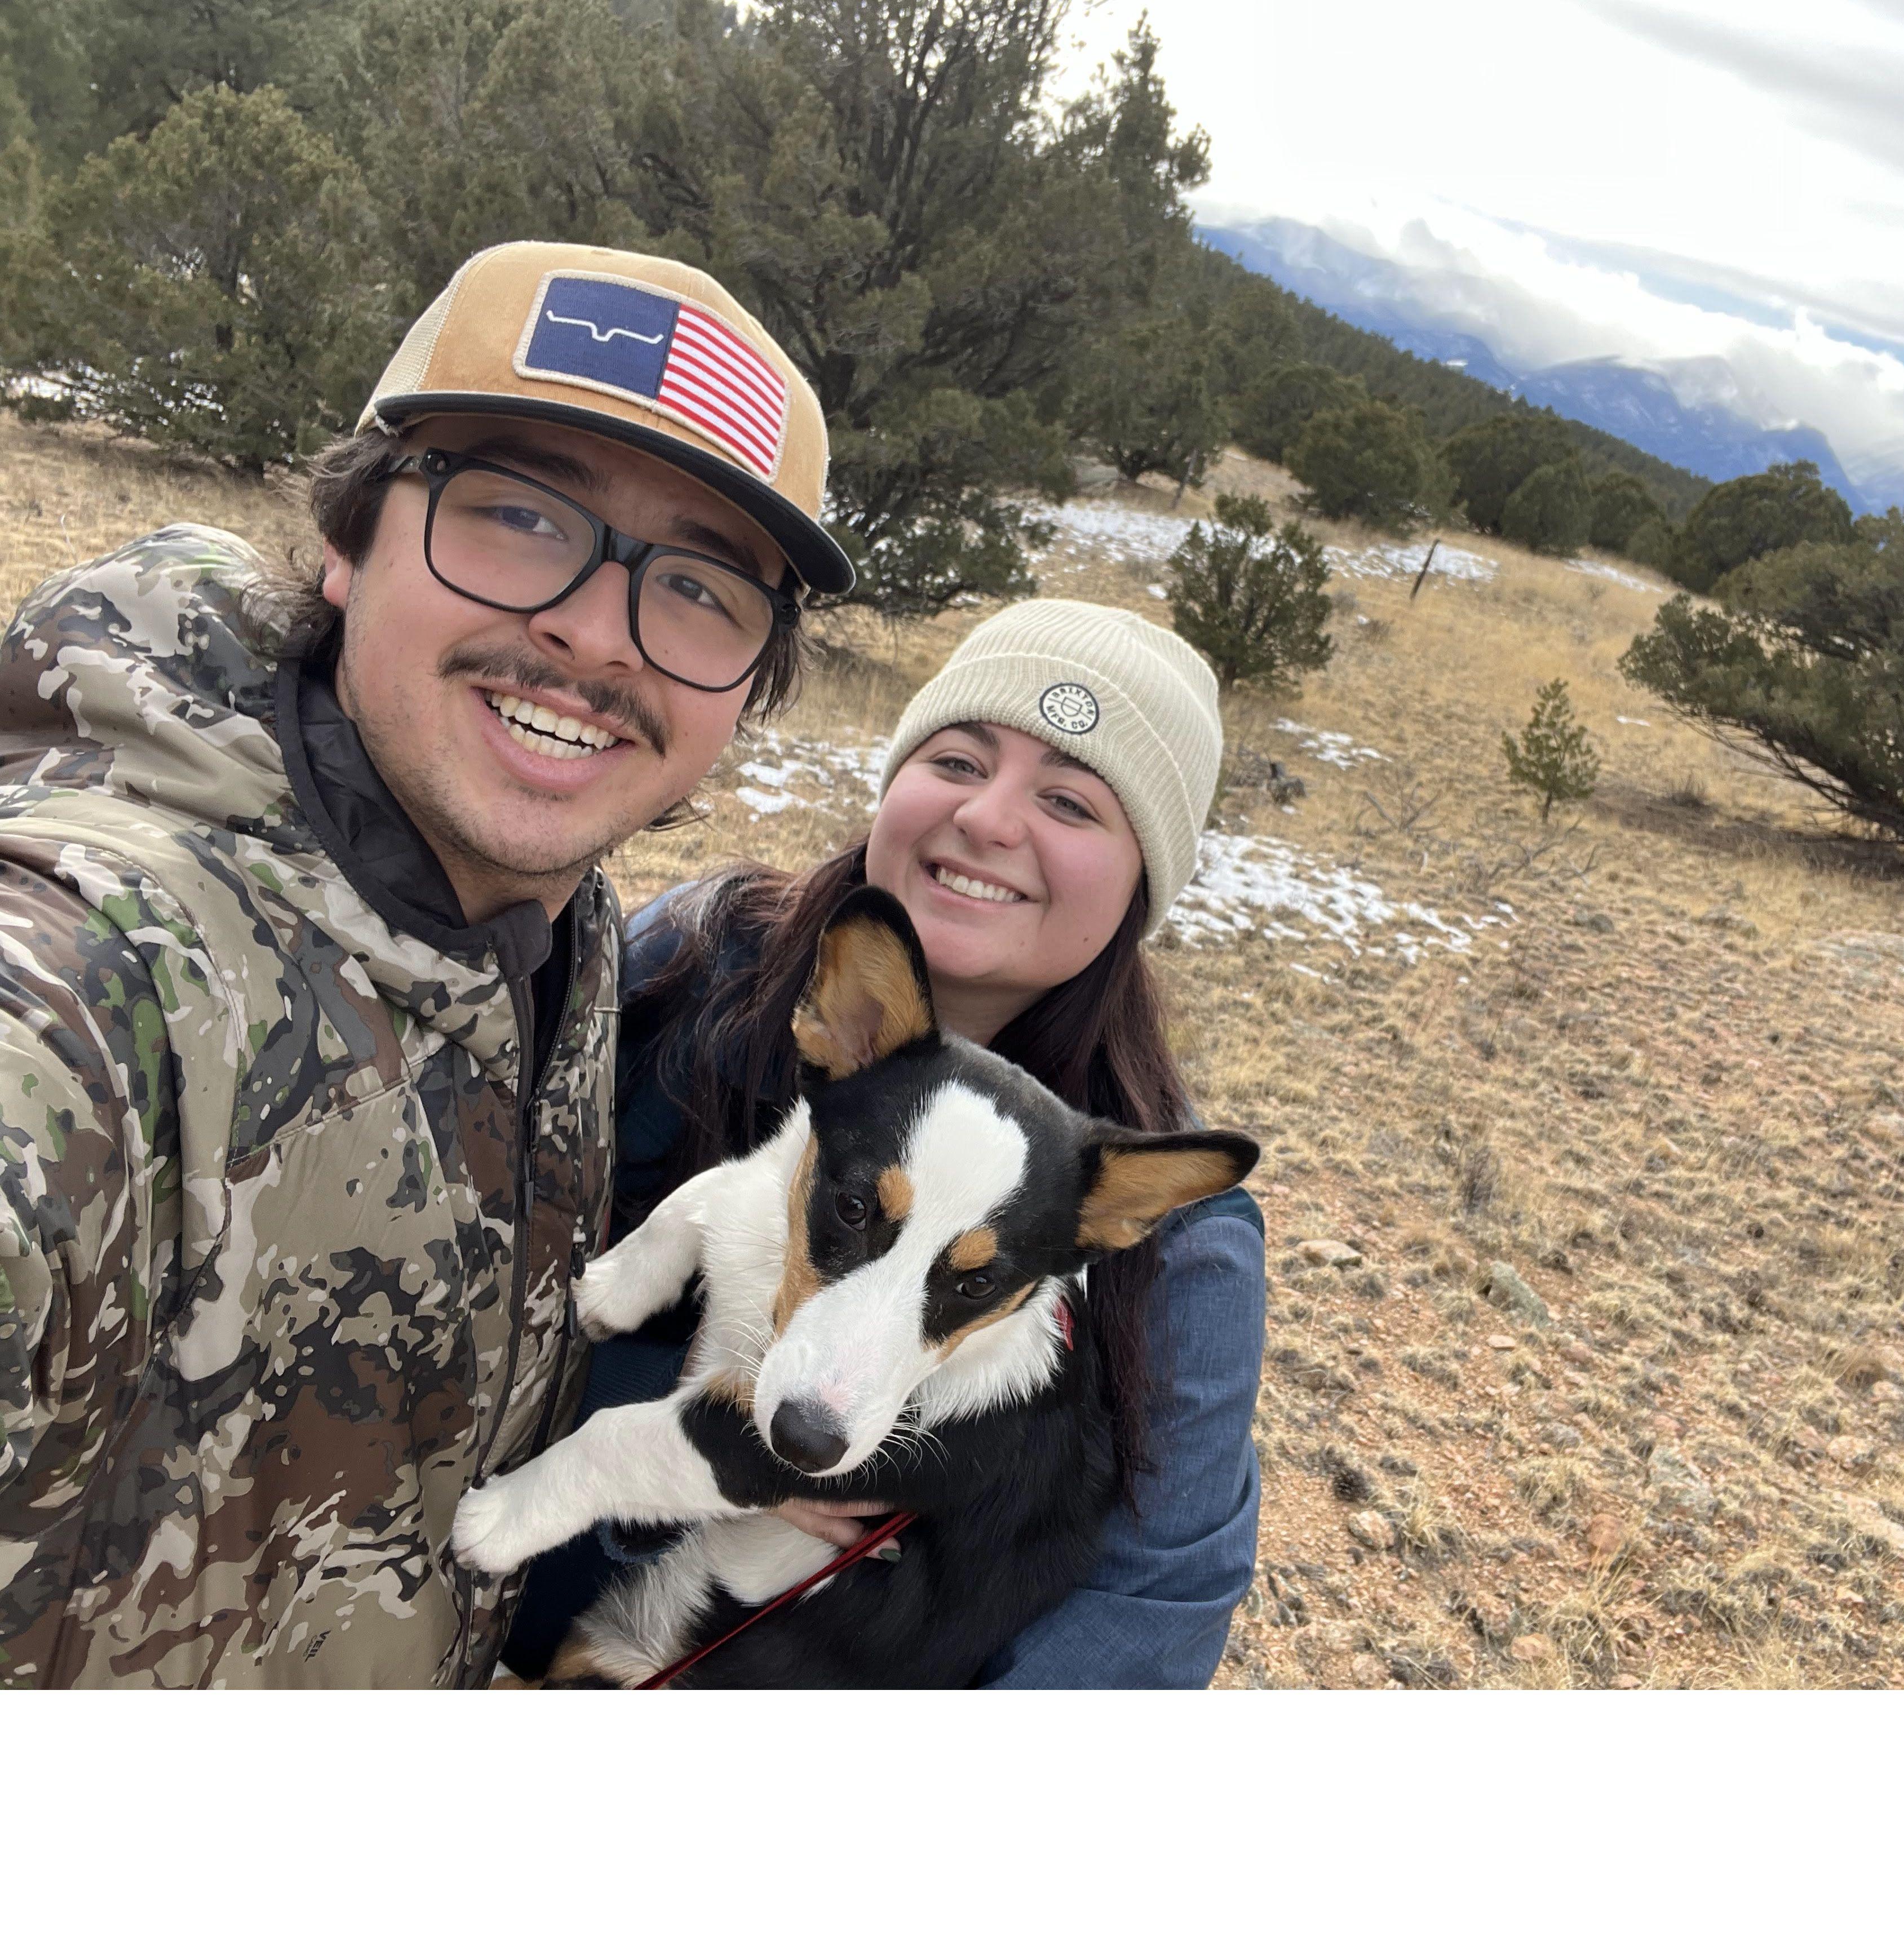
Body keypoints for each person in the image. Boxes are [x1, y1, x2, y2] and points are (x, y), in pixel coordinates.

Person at [0, 239, 853, 1688]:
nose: (595, 633)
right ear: (348, 537)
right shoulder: (96, 994)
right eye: (520, 514)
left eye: (703, 588)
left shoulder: (557, 937)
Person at [505, 599, 1268, 1688]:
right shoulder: (699, 964)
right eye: (959, 759)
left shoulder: (1173, 1230)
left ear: (1141, 882)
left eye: (1070, 801)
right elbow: (473, 1263)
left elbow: (1150, 1617)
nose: (990, 820)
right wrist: (704, 1444)